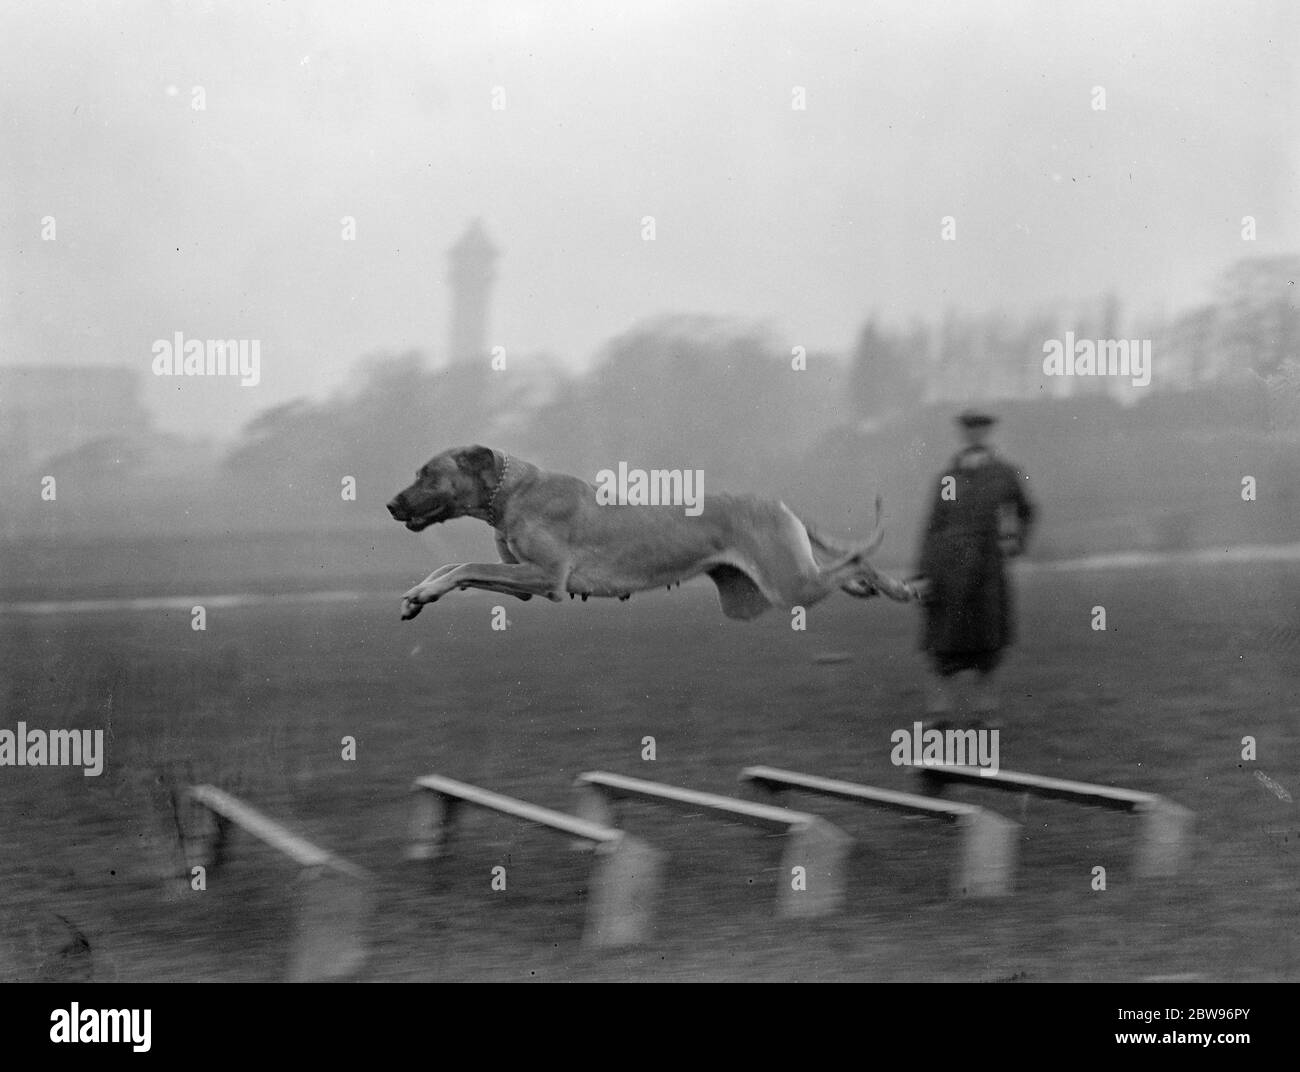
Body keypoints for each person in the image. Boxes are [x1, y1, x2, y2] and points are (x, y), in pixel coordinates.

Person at [913, 409, 1036, 723]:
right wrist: (922, 572)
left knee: (988, 641)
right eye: (969, 431)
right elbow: (934, 525)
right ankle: (939, 711)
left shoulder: (1006, 474)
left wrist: (1015, 543)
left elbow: (1027, 510)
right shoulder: (949, 478)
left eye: (981, 430)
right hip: (947, 568)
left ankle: (986, 710)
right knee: (944, 641)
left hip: (987, 567)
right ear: (963, 434)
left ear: (989, 433)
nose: (975, 436)